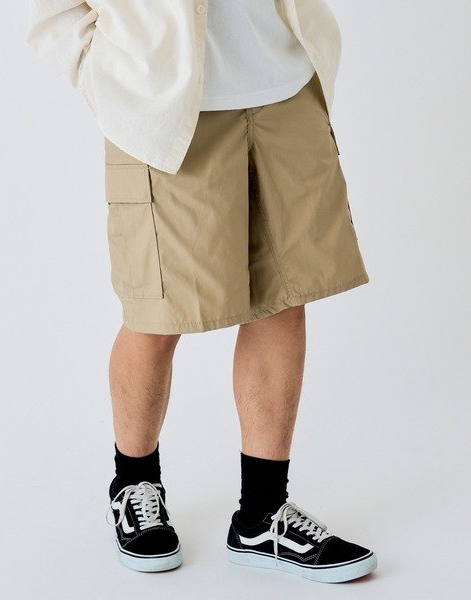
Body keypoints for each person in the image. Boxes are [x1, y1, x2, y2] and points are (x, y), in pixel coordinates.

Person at [28, 0, 377, 582]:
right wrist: (108, 75)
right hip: (164, 106)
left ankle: (263, 513)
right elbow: (54, 13)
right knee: (157, 311)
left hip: (286, 85)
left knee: (284, 300)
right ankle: (134, 484)